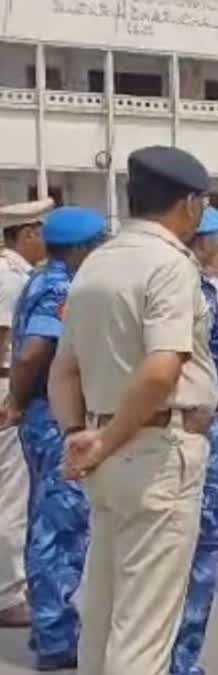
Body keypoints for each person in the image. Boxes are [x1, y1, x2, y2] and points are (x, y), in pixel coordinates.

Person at [47, 146, 217, 674]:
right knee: (144, 629)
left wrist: (79, 432)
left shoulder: (97, 261)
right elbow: (162, 369)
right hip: (154, 452)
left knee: (102, 611)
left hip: (105, 450)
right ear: (189, 204)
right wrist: (108, 438)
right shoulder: (169, 265)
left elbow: (64, 368)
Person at [6, 206, 105, 670]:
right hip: (53, 417)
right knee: (60, 528)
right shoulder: (61, 287)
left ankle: (50, 626)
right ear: (83, 248)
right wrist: (19, 400)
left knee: (47, 520)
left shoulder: (39, 279)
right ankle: (56, 636)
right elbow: (32, 353)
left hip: (43, 415)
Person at [168, 207, 218, 675]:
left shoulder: (199, 285)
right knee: (196, 546)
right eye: (216, 237)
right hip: (193, 425)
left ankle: (177, 655)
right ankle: (180, 660)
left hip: (204, 420)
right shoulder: (184, 284)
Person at [0, 198, 49, 631]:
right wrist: (13, 398)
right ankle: (9, 593)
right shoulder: (11, 278)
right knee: (11, 495)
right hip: (6, 386)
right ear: (27, 233)